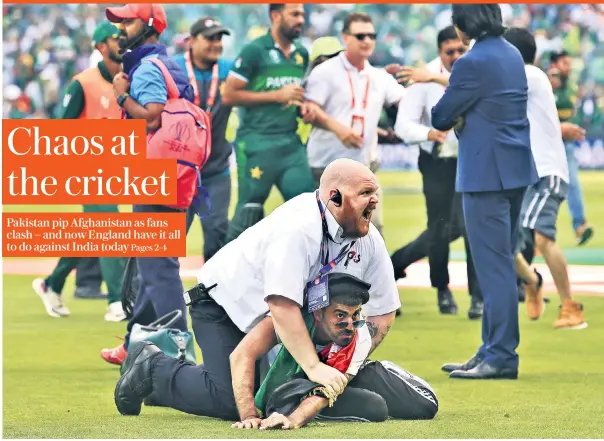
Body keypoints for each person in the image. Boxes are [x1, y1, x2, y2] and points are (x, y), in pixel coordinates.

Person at [111, 158, 401, 418]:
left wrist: (345, 361)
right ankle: (152, 366)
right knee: (229, 401)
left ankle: (171, 386)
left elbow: (383, 313)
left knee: (274, 399)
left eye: (375, 192)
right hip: (223, 306)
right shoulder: (299, 228)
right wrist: (314, 367)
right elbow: (282, 305)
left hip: (269, 324)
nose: (375, 200)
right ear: (334, 197)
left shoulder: (369, 239)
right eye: (365, 193)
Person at [432, 4, 539, 380]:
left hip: (485, 174)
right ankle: (489, 350)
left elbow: (440, 115)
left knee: (493, 271)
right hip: (515, 169)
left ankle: (501, 356)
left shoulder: (470, 62)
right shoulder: (511, 52)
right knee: (501, 262)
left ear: (463, 26)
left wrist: (463, 116)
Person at [100, 3, 194, 366]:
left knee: (158, 269)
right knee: (151, 264)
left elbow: (152, 118)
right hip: (176, 174)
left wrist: (121, 95)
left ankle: (182, 353)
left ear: (151, 25)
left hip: (155, 177)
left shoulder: (145, 68)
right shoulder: (167, 63)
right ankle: (132, 340)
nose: (121, 28)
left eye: (128, 20)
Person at [228, 272, 438, 429]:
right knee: (375, 407)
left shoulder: (360, 334)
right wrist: (248, 417)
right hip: (298, 377)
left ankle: (371, 371)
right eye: (340, 315)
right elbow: (242, 354)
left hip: (348, 377)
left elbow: (326, 391)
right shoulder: (290, 319)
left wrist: (293, 419)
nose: (349, 323)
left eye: (355, 315)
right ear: (318, 313)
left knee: (426, 405)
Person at [31, 22, 127, 322]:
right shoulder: (82, 83)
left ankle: (52, 283)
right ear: (101, 46)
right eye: (115, 38)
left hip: (117, 170)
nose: (121, 42)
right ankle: (116, 301)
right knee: (108, 227)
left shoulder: (128, 80)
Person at [390, 25, 482, 320]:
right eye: (450, 52)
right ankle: (442, 289)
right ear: (440, 52)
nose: (456, 56)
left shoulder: (475, 71)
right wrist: (428, 133)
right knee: (441, 227)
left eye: (460, 50)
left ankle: (477, 296)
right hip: (437, 161)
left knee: (469, 228)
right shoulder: (422, 78)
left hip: (472, 160)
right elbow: (403, 125)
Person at [502, 28, 588, 330]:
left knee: (542, 235)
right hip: (521, 173)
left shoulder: (529, 74)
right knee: (502, 241)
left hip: (546, 171)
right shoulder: (523, 80)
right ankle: (532, 280)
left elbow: (481, 87)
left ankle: (570, 306)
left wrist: (436, 78)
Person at [222, 3, 316, 242]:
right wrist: (277, 96)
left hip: (290, 145)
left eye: (302, 15)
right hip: (257, 144)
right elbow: (229, 95)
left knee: (310, 213)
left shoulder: (301, 54)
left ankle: (309, 275)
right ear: (275, 16)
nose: (300, 20)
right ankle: (220, 277)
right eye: (294, 14)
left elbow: (293, 95)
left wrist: (302, 107)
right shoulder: (255, 51)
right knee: (248, 215)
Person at [302, 12, 406, 189]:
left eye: (372, 36)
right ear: (346, 38)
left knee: (371, 218)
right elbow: (309, 110)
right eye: (360, 36)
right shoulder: (324, 72)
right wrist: (339, 129)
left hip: (362, 167)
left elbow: (407, 103)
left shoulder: (379, 76)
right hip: (325, 165)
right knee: (324, 217)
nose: (367, 40)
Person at [173, 17, 234, 262]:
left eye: (219, 38)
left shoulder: (231, 70)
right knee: (168, 240)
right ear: (192, 40)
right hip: (179, 171)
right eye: (209, 38)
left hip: (216, 170)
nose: (215, 44)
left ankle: (211, 299)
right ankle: (148, 299)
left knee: (218, 238)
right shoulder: (173, 69)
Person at [549, 50, 594, 246]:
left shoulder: (571, 86)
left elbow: (571, 108)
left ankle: (580, 226)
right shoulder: (544, 82)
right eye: (565, 63)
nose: (569, 67)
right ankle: (533, 232)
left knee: (572, 183)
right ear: (554, 64)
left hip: (565, 144)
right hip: (545, 144)